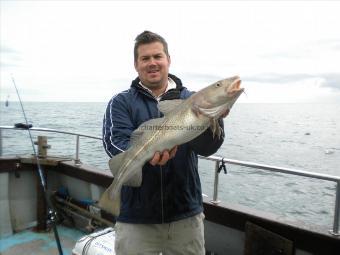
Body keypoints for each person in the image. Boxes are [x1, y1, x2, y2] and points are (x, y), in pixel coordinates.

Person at [103, 31, 226, 255]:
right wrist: (147, 155)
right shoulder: (121, 102)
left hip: (185, 214)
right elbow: (114, 142)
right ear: (136, 64)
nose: (152, 63)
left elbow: (209, 148)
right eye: (145, 58)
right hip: (136, 218)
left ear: (168, 59)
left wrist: (209, 119)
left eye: (157, 56)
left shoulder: (193, 99)